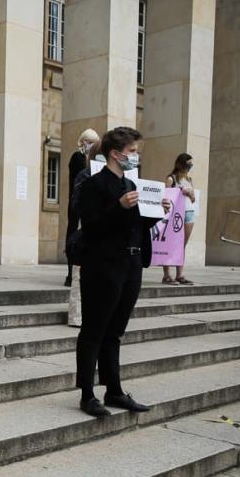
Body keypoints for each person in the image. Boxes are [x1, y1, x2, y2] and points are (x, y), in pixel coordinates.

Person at [75, 127, 171, 418]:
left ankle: (114, 390)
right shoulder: (93, 184)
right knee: (94, 329)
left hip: (131, 265)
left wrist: (157, 211)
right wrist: (118, 207)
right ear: (115, 154)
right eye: (132, 151)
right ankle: (87, 395)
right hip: (102, 266)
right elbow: (91, 225)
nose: (136, 156)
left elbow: (135, 226)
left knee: (115, 331)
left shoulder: (132, 184)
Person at [67, 140, 104, 327]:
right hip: (89, 232)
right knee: (80, 274)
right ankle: (76, 316)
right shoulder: (86, 174)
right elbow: (76, 205)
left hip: (107, 236)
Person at [65, 128, 100, 287]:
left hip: (90, 204)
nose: (91, 145)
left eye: (94, 142)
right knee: (74, 234)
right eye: (89, 141)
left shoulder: (96, 160)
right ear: (83, 141)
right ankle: (71, 273)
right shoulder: (77, 156)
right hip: (78, 203)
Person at [162, 153, 197, 285]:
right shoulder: (171, 178)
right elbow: (166, 198)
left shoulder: (189, 179)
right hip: (175, 214)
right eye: (188, 163)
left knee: (182, 245)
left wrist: (190, 194)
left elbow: (193, 199)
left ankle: (180, 275)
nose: (190, 166)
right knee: (171, 244)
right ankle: (166, 275)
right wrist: (179, 191)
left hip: (188, 213)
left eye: (191, 164)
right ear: (181, 163)